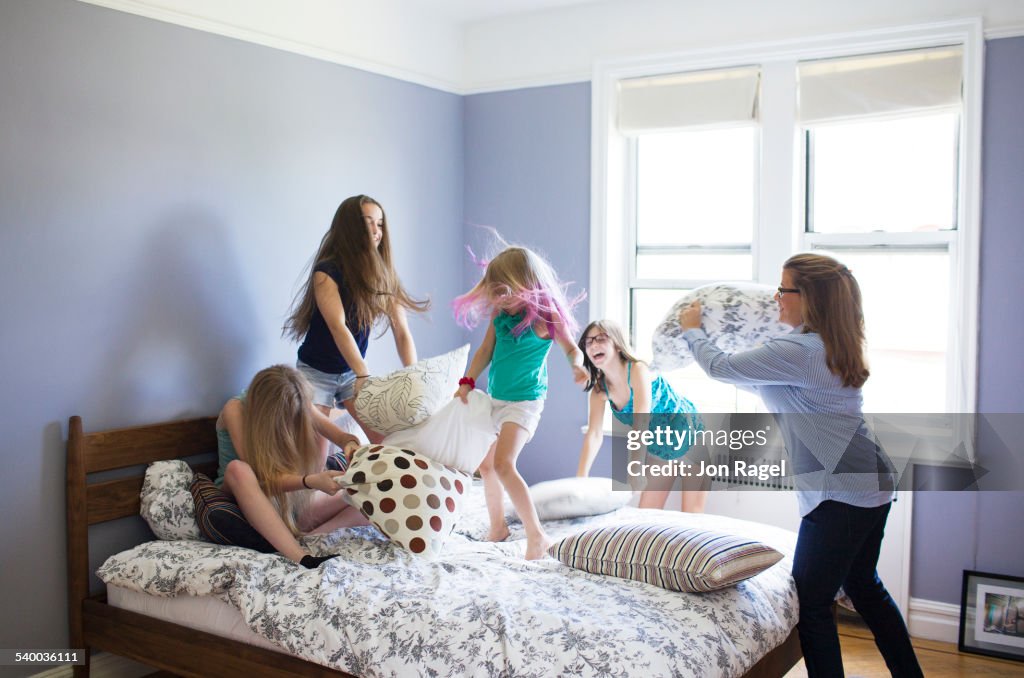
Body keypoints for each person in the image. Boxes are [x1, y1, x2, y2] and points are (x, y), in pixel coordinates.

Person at [678, 253, 922, 677]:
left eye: (784, 288)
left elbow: (720, 367)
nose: (776, 297)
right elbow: (774, 389)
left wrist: (693, 331)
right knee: (864, 586)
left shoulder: (800, 350)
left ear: (808, 296)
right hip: (872, 482)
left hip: (842, 494)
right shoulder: (829, 342)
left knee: (812, 604)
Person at [453, 246, 588, 560]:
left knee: (503, 464)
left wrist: (577, 366)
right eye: (496, 293)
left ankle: (537, 535)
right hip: (496, 399)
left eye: (507, 292)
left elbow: (571, 348)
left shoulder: (546, 318)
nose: (500, 299)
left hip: (524, 402)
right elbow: (485, 351)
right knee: (486, 466)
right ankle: (498, 528)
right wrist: (467, 381)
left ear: (528, 285)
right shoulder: (500, 315)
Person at [283, 195, 429, 443]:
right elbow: (338, 327)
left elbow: (401, 331)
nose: (375, 231)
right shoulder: (327, 271)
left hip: (350, 372)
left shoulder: (383, 274)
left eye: (380, 224)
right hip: (317, 372)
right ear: (350, 227)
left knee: (386, 440)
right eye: (367, 222)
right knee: (317, 454)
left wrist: (413, 375)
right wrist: (363, 374)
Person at [216, 365, 367, 568]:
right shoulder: (235, 410)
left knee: (370, 493)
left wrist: (351, 446)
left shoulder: (297, 398)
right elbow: (262, 479)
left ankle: (310, 539)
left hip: (289, 502)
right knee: (239, 469)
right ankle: (301, 557)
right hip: (246, 498)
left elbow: (340, 436)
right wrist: (309, 481)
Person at [576, 319, 707, 512]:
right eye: (588, 342)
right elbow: (594, 434)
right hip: (660, 449)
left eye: (600, 339)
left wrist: (635, 468)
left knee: (692, 517)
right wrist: (580, 478)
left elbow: (641, 420)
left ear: (617, 345)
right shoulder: (598, 390)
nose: (593, 345)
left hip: (690, 435)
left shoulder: (638, 369)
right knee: (646, 515)